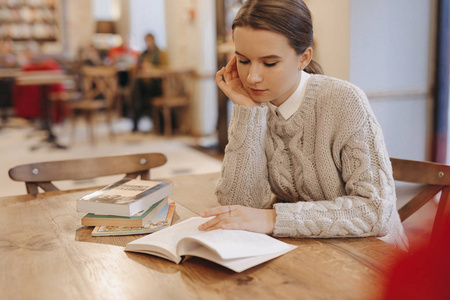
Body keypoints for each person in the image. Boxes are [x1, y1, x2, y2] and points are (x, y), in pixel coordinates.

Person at [198, 0, 409, 251]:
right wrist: (246, 112)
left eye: (269, 63)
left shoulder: (344, 101)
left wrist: (274, 218)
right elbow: (237, 206)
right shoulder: (254, 106)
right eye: (243, 61)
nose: (252, 77)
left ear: (303, 58)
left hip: (371, 257)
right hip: (309, 252)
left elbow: (375, 211)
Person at [131, 33, 163, 132]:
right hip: (143, 82)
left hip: (155, 83)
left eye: (149, 40)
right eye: (146, 41)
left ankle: (138, 106)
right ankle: (136, 110)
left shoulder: (159, 54)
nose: (148, 43)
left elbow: (162, 68)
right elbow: (137, 65)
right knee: (135, 87)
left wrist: (151, 67)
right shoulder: (143, 53)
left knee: (137, 91)